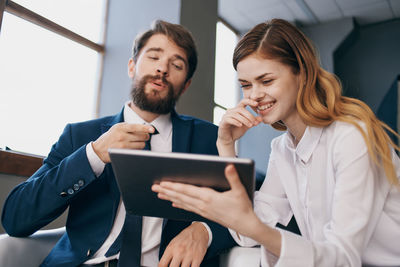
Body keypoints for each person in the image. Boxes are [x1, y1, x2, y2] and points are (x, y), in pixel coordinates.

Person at [152, 18, 400, 266]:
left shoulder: (351, 136)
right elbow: (247, 230)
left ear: (302, 74)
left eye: (267, 81)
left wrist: (255, 229)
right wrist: (226, 145)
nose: (255, 95)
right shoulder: (283, 149)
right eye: (246, 85)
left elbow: (342, 257)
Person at [2, 20, 235, 267]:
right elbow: (16, 218)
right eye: (154, 57)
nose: (162, 69)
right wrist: (93, 155)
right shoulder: (80, 135)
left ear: (186, 84)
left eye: (176, 65)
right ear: (132, 66)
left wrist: (204, 230)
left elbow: (250, 207)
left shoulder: (210, 138)